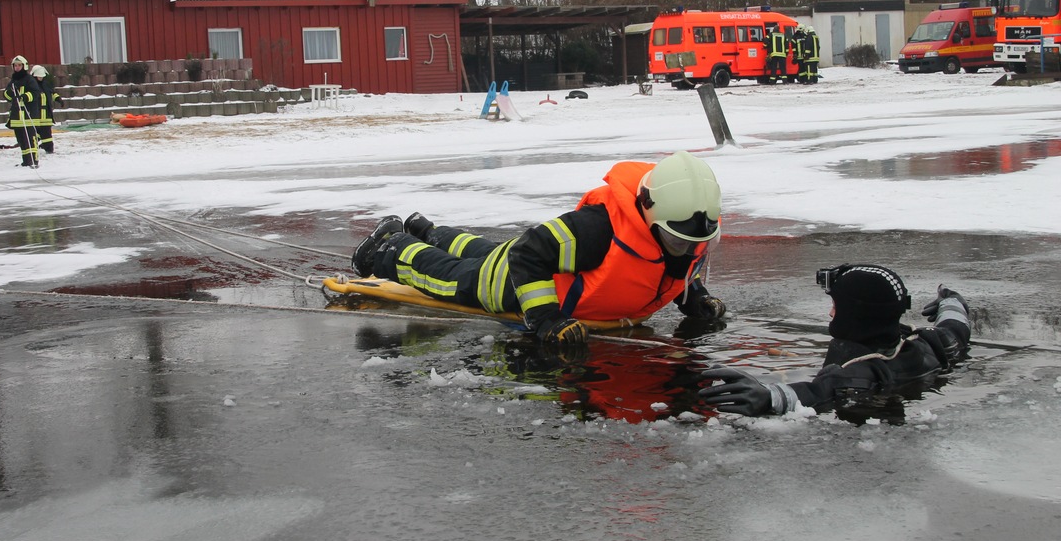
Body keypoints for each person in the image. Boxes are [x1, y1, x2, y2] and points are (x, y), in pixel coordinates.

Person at [350, 151, 728, 350]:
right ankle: (389, 249)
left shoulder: (678, 230)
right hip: (515, 283)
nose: (688, 251)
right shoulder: (598, 229)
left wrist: (695, 297)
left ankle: (430, 232)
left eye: (700, 244)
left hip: (536, 262)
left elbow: (678, 266)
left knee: (484, 250)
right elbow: (529, 253)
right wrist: (546, 319)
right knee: (450, 278)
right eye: (680, 242)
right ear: (649, 214)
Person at [698, 264, 971, 417]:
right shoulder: (929, 344)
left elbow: (820, 392)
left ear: (858, 313)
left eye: (836, 305)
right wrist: (950, 299)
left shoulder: (863, 371)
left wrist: (769, 396)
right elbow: (956, 326)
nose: (830, 313)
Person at [4, 55, 41, 167]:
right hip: (17, 116)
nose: (17, 67)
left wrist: (25, 97)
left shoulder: (30, 79)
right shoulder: (13, 80)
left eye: (19, 65)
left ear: (24, 66)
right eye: (15, 65)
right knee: (21, 140)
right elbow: (6, 94)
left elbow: (35, 93)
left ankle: (34, 160)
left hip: (29, 114)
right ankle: (26, 160)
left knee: (31, 138)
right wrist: (9, 94)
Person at [29, 64, 63, 154]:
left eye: (41, 77)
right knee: (34, 133)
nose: (40, 78)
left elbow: (52, 93)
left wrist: (58, 98)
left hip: (46, 115)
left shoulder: (45, 85)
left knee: (47, 134)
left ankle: (48, 148)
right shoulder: (31, 86)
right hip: (36, 114)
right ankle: (32, 149)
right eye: (38, 77)